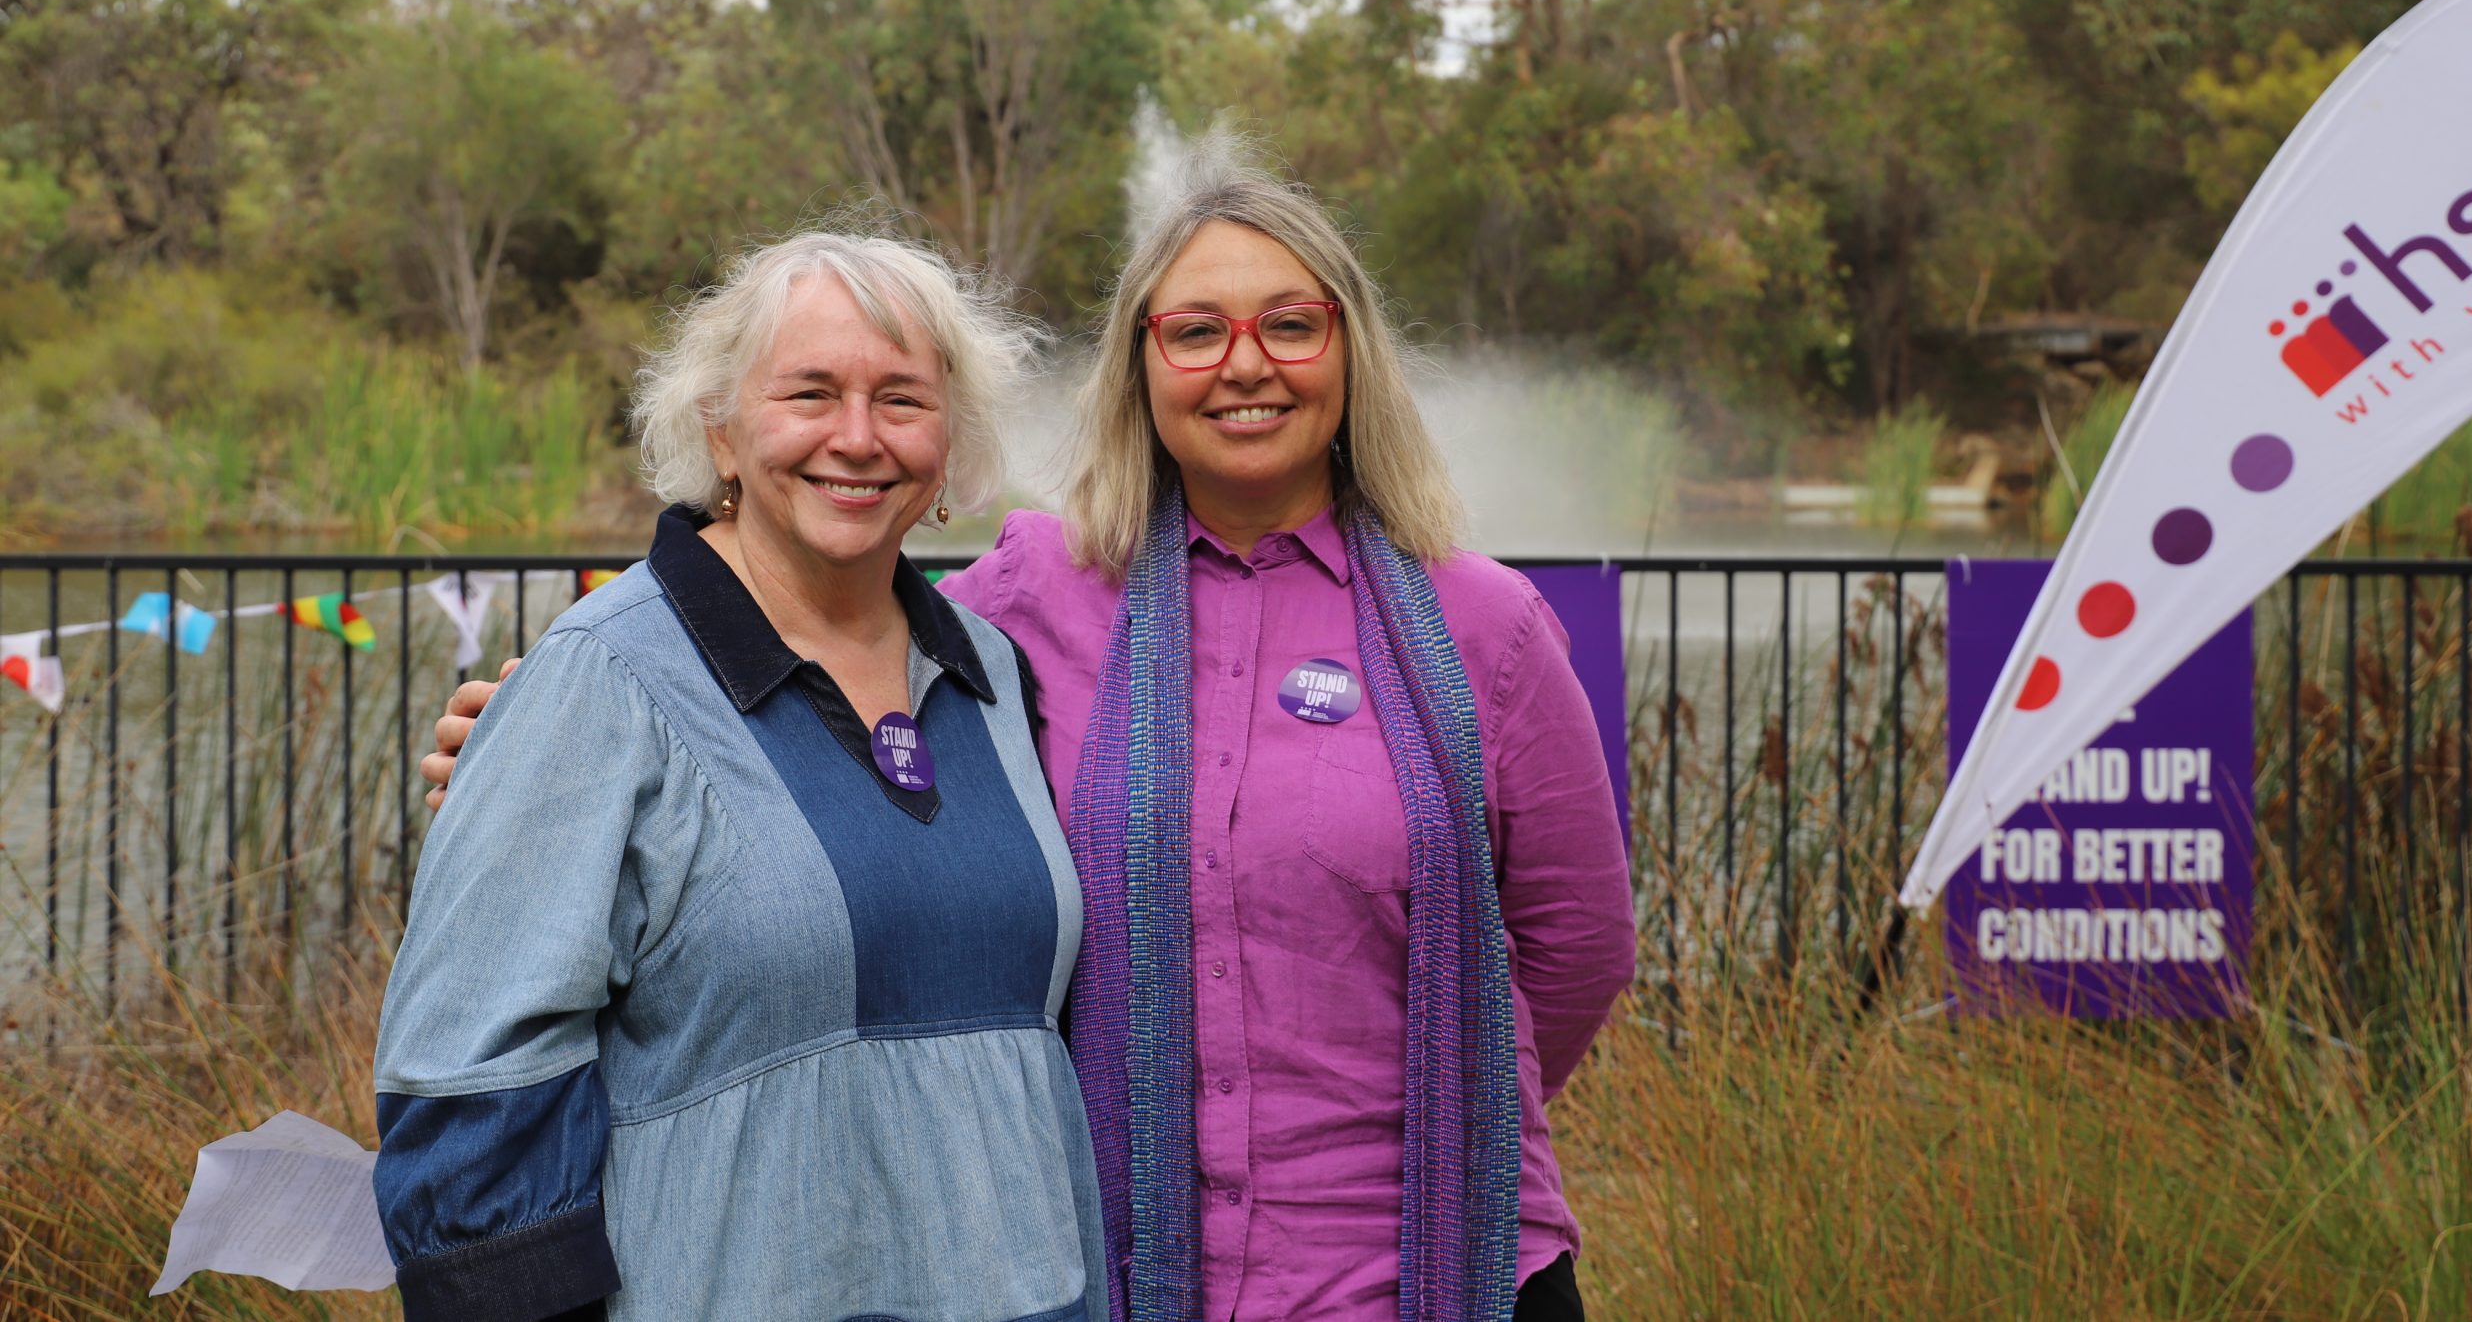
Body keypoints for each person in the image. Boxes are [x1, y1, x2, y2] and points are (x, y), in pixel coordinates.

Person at [429, 135, 1635, 1321]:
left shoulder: (1487, 624)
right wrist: (546, 735)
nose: (1244, 363)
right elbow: (810, 666)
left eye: (1290, 322)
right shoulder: (1023, 600)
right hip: (1114, 1260)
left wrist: (1436, 1105)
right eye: (1197, 329)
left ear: (1349, 351)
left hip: (1433, 1260)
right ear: (1142, 364)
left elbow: (1578, 946)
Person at [379, 227, 1105, 1322]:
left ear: (949, 439)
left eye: (902, 400)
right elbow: (471, 1077)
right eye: (809, 393)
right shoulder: (602, 677)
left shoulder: (991, 669)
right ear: (720, 427)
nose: (857, 438)